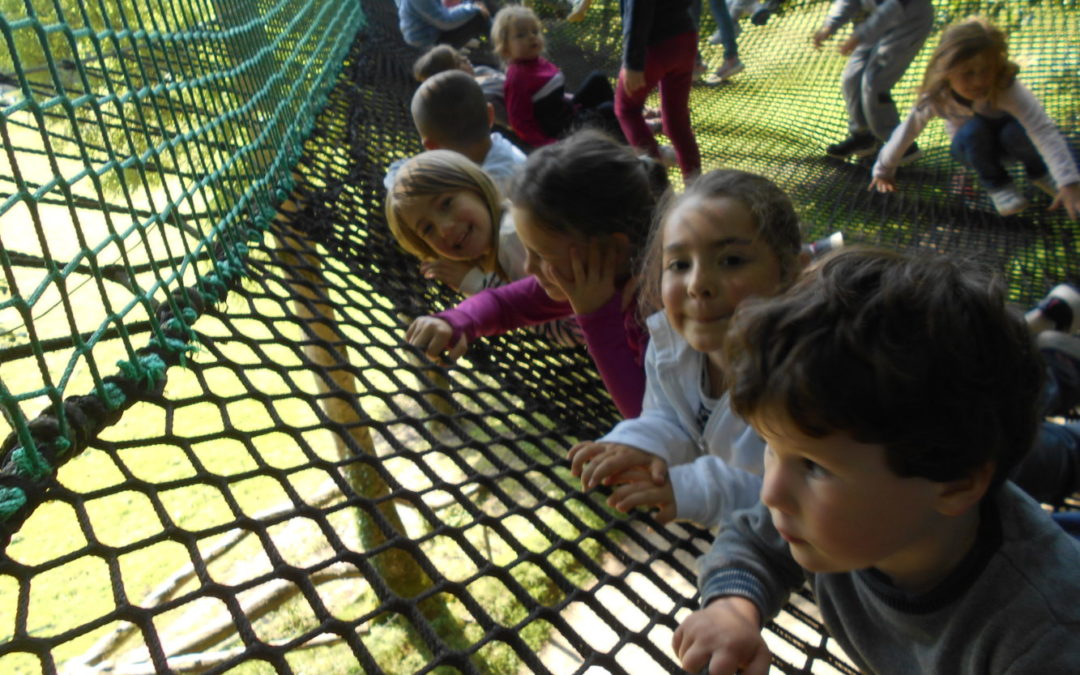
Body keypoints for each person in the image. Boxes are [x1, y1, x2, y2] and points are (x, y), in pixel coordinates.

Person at [673, 248, 1080, 674]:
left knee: (1051, 456)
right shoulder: (841, 523)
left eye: (814, 466)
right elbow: (753, 541)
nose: (771, 492)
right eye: (772, 447)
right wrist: (731, 610)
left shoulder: (1042, 639)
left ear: (955, 484)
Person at [568, 170, 804, 527]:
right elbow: (668, 417)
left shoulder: (802, 377)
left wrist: (692, 488)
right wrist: (640, 442)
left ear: (789, 273)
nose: (698, 285)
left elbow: (793, 494)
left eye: (731, 261)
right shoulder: (671, 348)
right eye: (679, 265)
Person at [405, 130, 667, 418]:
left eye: (542, 255)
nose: (528, 268)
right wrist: (457, 320)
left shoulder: (663, 306)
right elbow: (507, 304)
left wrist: (597, 317)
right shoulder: (601, 272)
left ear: (612, 249)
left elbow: (651, 418)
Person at [870, 18, 1080, 219]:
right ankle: (998, 185)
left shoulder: (1005, 87)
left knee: (1013, 130)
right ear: (946, 71)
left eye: (986, 70)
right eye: (968, 73)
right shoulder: (936, 98)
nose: (979, 81)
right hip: (973, 149)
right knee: (974, 130)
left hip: (1012, 144)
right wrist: (884, 169)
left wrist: (1068, 181)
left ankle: (1041, 172)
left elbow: (1041, 129)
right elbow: (907, 131)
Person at [386, 149, 582, 346]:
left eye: (446, 204)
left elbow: (569, 329)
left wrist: (477, 283)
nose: (444, 229)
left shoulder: (513, 240)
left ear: (476, 188)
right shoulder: (506, 232)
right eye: (428, 229)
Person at [813, 0, 933, 162]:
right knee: (851, 77)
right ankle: (863, 137)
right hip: (876, 23)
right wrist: (830, 25)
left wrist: (859, 35)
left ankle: (901, 145)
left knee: (874, 82)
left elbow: (894, 6)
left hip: (909, 22)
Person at [492, 5, 620, 148]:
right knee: (608, 109)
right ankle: (625, 149)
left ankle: (626, 119)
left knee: (598, 79)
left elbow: (553, 94)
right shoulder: (518, 78)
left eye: (534, 31)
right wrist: (551, 146)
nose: (531, 37)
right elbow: (520, 124)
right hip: (563, 133)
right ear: (505, 47)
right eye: (521, 35)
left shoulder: (538, 62)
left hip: (568, 112)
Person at [383, 70, 525, 195]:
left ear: (431, 147)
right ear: (490, 114)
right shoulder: (500, 147)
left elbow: (402, 183)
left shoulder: (481, 188)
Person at [615, 0, 701, 180]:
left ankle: (659, 188)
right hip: (685, 37)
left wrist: (633, 62)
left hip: (655, 44)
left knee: (626, 109)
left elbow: (638, 9)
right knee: (677, 120)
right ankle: (696, 188)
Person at [412, 44, 510, 130]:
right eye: (459, 63)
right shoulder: (481, 97)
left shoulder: (480, 70)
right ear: (452, 78)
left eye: (460, 55)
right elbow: (510, 121)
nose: (465, 58)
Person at [396, 0, 492, 51]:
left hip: (436, 30)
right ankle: (502, 41)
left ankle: (499, 36)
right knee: (479, 16)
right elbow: (445, 22)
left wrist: (471, 6)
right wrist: (473, 9)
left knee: (477, 8)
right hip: (427, 43)